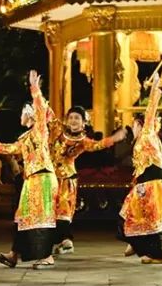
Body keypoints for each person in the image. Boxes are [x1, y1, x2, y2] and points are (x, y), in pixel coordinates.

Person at [0, 70, 59, 269]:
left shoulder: (40, 130)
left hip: (43, 176)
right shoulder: (24, 138)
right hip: (30, 179)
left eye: (26, 110)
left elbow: (42, 111)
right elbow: (11, 149)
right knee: (23, 216)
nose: (22, 113)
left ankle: (47, 256)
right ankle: (13, 254)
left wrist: (34, 88)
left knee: (42, 217)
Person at [48, 106, 126, 255]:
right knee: (49, 210)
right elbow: (48, 115)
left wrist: (114, 139)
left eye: (77, 118)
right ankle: (56, 241)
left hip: (66, 179)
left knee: (63, 210)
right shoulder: (58, 130)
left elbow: (97, 145)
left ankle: (66, 240)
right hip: (50, 177)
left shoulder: (83, 141)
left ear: (84, 122)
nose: (73, 120)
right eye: (71, 117)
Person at [118, 73, 162, 264]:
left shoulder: (147, 133)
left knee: (151, 215)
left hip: (153, 178)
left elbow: (151, 112)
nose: (132, 128)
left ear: (140, 125)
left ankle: (158, 254)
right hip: (145, 180)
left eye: (134, 125)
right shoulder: (140, 140)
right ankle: (135, 242)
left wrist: (154, 89)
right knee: (129, 210)